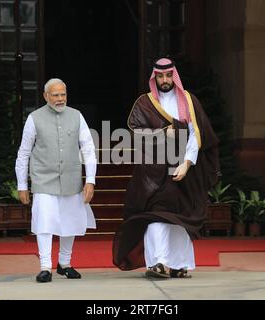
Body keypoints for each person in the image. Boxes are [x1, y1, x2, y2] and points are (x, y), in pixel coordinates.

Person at [112, 58, 220, 278]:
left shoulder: (189, 101)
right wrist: (162, 133)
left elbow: (196, 136)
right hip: (153, 174)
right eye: (160, 76)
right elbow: (135, 131)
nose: (164, 80)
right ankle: (158, 263)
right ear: (154, 77)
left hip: (183, 171)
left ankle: (180, 265)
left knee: (181, 218)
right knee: (157, 215)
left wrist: (187, 164)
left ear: (174, 76)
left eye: (168, 75)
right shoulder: (144, 102)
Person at [15, 78, 97, 283]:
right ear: (45, 96)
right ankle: (45, 267)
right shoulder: (34, 118)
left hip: (71, 179)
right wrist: (22, 185)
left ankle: (64, 264)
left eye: (63, 94)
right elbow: (23, 153)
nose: (60, 99)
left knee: (70, 222)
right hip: (43, 179)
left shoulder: (77, 116)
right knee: (44, 222)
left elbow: (88, 149)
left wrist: (91, 180)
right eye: (55, 95)